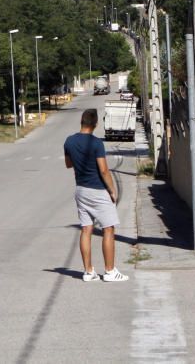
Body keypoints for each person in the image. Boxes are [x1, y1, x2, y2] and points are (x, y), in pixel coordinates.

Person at [64, 108, 127, 282]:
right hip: (98, 190)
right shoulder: (96, 143)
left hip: (80, 190)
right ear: (95, 124)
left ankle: (88, 271)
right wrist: (112, 190)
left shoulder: (69, 141)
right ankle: (109, 271)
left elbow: (69, 164)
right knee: (108, 228)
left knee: (86, 229)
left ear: (82, 122)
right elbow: (104, 170)